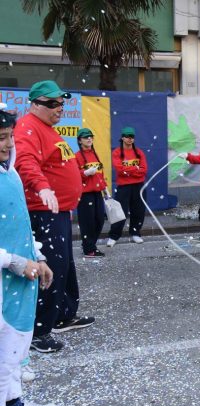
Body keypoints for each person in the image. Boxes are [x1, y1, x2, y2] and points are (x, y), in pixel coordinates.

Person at [14, 80, 95, 353]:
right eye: (52, 103)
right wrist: (43, 186)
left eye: (61, 102)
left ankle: (62, 314)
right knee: (50, 269)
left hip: (58, 211)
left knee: (65, 266)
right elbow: (24, 161)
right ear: (35, 104)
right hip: (42, 212)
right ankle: (39, 330)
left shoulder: (49, 130)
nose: (59, 108)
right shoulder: (28, 127)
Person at [0, 105, 57, 406]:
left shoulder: (10, 172)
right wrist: (14, 262)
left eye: (9, 137)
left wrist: (38, 256)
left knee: (13, 351)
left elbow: (20, 224)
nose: (8, 145)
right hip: (6, 282)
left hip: (21, 282)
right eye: (1, 139)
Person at [107, 127, 148, 246]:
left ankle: (135, 233)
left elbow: (144, 170)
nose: (130, 139)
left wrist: (129, 171)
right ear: (122, 138)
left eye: (132, 136)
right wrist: (135, 168)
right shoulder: (117, 152)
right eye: (127, 136)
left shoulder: (139, 152)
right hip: (123, 187)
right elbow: (120, 170)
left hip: (139, 186)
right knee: (120, 213)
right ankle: (114, 236)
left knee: (138, 211)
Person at [75, 128, 107, 258]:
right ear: (79, 140)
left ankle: (89, 245)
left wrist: (105, 188)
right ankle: (89, 249)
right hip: (85, 194)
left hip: (97, 192)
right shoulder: (76, 156)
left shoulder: (95, 154)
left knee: (100, 220)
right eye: (85, 137)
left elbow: (100, 173)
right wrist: (86, 173)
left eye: (90, 136)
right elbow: (74, 175)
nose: (89, 139)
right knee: (87, 222)